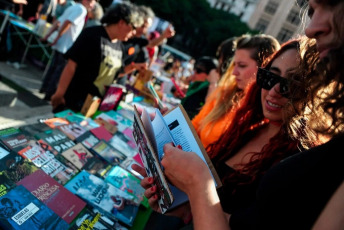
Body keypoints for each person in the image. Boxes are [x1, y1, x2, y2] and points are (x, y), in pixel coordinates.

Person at [135, 37, 316, 228]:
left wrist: (197, 184)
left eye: (292, 84)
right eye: (270, 77)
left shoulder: (300, 163)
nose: (274, 91)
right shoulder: (247, 130)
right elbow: (206, 207)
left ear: (313, 93)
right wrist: (176, 201)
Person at [50, 3, 144, 112]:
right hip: (73, 102)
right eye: (133, 28)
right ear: (121, 22)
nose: (133, 33)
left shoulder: (119, 46)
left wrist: (132, 68)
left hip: (94, 106)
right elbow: (71, 66)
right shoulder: (92, 35)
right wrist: (59, 93)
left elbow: (115, 73)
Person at [192, 34, 280, 149]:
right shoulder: (224, 94)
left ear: (264, 68)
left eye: (242, 65)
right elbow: (194, 126)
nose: (234, 72)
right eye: (234, 65)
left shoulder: (268, 113)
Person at [40, 0, 95, 100]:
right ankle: (49, 94)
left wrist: (49, 36)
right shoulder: (81, 9)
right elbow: (66, 23)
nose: (92, 5)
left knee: (54, 67)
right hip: (66, 45)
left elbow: (59, 22)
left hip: (62, 43)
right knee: (59, 71)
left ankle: (45, 89)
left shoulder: (73, 7)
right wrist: (55, 37)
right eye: (90, 1)